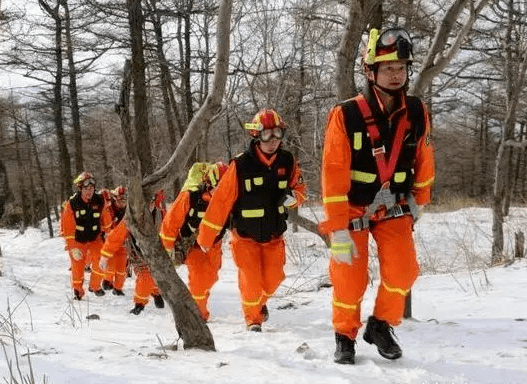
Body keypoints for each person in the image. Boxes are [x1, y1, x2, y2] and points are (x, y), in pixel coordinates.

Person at [319, 27, 435, 364]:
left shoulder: (416, 111)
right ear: (371, 72)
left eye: (402, 68)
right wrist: (337, 227)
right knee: (349, 279)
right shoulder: (346, 114)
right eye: (389, 68)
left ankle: (381, 325)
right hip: (353, 208)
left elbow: (425, 158)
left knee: (404, 272)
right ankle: (344, 335)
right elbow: (333, 171)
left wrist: (420, 200)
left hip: (396, 205)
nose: (397, 75)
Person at [197, 109, 307, 332]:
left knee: (275, 278)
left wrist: (294, 199)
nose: (272, 141)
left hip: (274, 235)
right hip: (244, 236)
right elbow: (220, 202)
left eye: (277, 134)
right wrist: (206, 238)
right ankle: (253, 320)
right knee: (251, 280)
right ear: (256, 135)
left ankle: (259, 303)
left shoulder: (288, 161)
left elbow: (301, 189)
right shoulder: (240, 165)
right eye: (266, 135)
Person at [159, 161, 228, 321]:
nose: (224, 190)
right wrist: (167, 248)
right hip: (193, 246)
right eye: (221, 185)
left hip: (214, 245)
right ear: (211, 182)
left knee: (210, 278)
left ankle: (197, 303)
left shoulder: (228, 199)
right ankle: (198, 316)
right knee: (199, 282)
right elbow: (170, 222)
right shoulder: (191, 196)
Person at [60, 172, 112, 300]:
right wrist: (72, 246)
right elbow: (67, 227)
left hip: (95, 237)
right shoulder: (72, 204)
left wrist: (108, 233)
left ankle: (95, 286)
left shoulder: (100, 200)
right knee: (77, 265)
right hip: (78, 240)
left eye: (91, 188)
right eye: (86, 188)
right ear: (80, 188)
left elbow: (106, 219)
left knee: (101, 262)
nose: (89, 191)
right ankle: (78, 290)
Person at [100, 186, 128, 295]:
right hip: (109, 241)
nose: (122, 202)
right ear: (115, 198)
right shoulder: (108, 209)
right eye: (120, 199)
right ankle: (107, 281)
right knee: (110, 265)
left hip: (123, 242)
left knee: (122, 268)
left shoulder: (129, 210)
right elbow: (103, 225)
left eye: (125, 199)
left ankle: (118, 288)